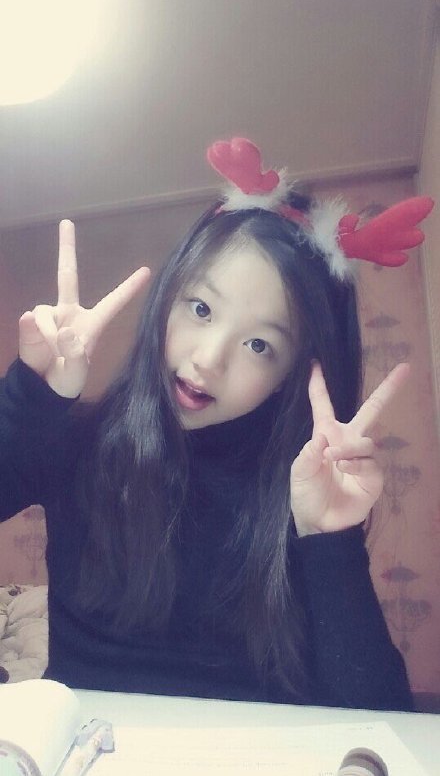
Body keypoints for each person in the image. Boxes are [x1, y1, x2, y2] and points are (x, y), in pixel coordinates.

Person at [0, 138, 433, 710]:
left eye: (258, 344)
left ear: (290, 375)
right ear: (168, 298)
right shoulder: (78, 439)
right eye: (201, 309)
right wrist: (32, 398)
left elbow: (380, 721)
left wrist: (331, 541)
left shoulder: (303, 485)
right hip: (88, 743)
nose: (208, 360)